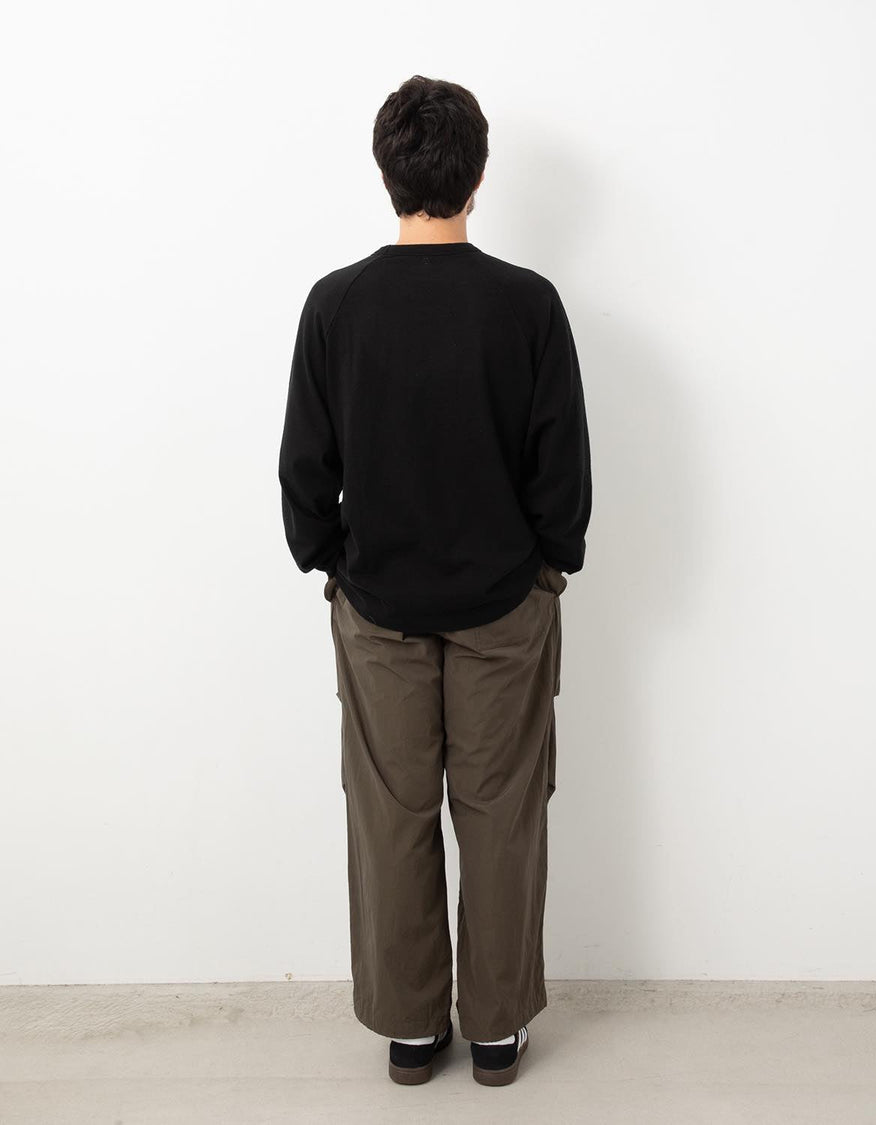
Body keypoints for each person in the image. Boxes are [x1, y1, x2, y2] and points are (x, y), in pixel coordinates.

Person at [278, 74, 591, 1087]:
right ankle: (495, 1031)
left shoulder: (336, 305)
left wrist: (333, 561)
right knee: (502, 813)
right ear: (478, 175)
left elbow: (304, 470)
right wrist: (547, 565)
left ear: (387, 173)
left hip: (378, 609)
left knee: (390, 814)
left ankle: (413, 1032)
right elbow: (563, 474)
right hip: (506, 605)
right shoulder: (527, 304)